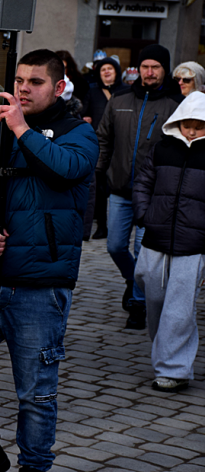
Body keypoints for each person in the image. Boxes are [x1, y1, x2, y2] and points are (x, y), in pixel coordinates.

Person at [0, 49, 98, 472]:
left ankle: (34, 465)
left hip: (41, 288)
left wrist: (22, 130)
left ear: (59, 87)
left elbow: (67, 169)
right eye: (20, 81)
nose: (24, 88)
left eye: (36, 82)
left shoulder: (77, 133)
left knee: (35, 393)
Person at [96, 44, 183, 329]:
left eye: (155, 67)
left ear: (164, 69)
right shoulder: (120, 99)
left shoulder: (174, 104)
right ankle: (133, 280)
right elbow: (104, 138)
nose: (149, 72)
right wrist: (98, 170)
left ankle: (137, 305)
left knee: (143, 250)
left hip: (154, 193)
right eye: (145, 66)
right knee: (115, 246)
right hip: (119, 188)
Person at [133, 91, 205, 393]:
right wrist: (144, 214)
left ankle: (173, 369)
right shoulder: (162, 149)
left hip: (194, 242)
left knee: (179, 307)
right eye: (187, 124)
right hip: (156, 235)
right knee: (153, 295)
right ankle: (167, 348)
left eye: (198, 125)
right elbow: (143, 182)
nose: (191, 131)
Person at [82, 56, 127, 240]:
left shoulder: (126, 92)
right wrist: (85, 117)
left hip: (122, 143)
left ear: (116, 71)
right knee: (99, 187)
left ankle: (123, 222)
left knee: (118, 185)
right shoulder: (92, 91)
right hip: (99, 144)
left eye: (110, 68)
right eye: (103, 69)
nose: (107, 72)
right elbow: (84, 111)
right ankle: (102, 226)